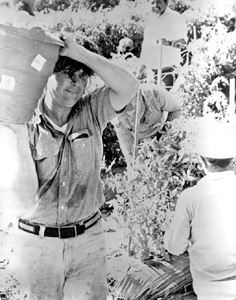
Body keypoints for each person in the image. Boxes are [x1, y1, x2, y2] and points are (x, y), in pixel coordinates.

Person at [13, 36, 139, 300]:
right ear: (46, 75)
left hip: (87, 243)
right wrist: (15, 136)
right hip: (38, 246)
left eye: (83, 76)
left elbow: (129, 86)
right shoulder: (22, 121)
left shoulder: (91, 110)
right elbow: (23, 199)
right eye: (68, 73)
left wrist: (81, 53)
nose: (76, 83)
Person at [164, 119, 236, 299]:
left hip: (208, 287)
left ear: (201, 161)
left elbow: (175, 247)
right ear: (233, 160)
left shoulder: (191, 197)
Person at [111, 82, 181, 170]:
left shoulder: (155, 94)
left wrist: (166, 136)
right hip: (141, 144)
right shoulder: (118, 120)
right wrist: (133, 165)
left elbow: (176, 110)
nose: (131, 118)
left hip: (160, 131)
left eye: (134, 112)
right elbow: (128, 149)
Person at [136, 0, 188, 89]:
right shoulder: (150, 20)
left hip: (168, 71)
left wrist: (169, 43)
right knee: (152, 100)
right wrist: (140, 70)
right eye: (152, 2)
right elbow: (146, 47)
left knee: (164, 100)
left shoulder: (175, 17)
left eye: (158, 2)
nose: (155, 5)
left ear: (166, 2)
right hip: (151, 73)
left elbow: (184, 43)